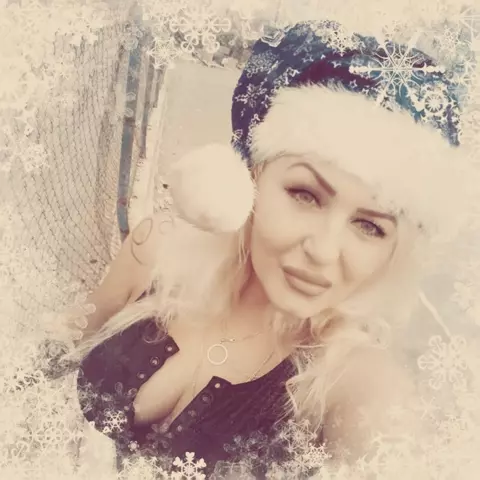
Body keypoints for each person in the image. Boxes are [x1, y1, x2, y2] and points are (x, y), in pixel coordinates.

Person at [54, 19, 471, 479]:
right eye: (305, 195)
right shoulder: (156, 250)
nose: (323, 251)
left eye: (369, 227)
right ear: (252, 177)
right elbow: (58, 352)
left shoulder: (353, 382)